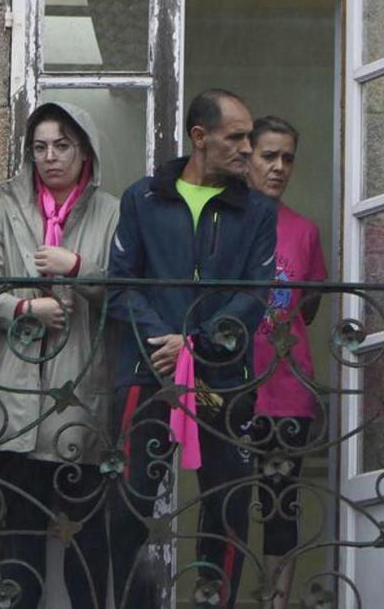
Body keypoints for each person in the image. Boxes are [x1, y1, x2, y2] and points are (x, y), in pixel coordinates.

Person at [107, 89, 276, 609]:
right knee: (130, 502)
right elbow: (121, 285)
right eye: (237, 137)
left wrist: (195, 345)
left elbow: (254, 296)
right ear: (200, 138)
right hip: (147, 372)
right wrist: (166, 343)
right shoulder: (143, 198)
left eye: (250, 137)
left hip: (224, 378)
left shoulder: (258, 212)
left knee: (226, 506)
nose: (249, 148)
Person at [0, 101, 118, 607]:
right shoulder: (5, 210)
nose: (50, 157)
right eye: (39, 148)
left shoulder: (111, 211)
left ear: (84, 151)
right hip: (13, 401)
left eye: (62, 146)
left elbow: (127, 290)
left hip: (80, 400)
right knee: (18, 540)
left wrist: (77, 265)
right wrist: (25, 307)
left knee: (88, 542)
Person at [246, 116, 327, 609]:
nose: (278, 167)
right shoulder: (225, 221)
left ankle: (275, 603)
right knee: (228, 502)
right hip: (232, 385)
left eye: (287, 158)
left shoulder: (304, 231)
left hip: (288, 390)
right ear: (247, 158)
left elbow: (310, 307)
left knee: (281, 505)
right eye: (268, 155)